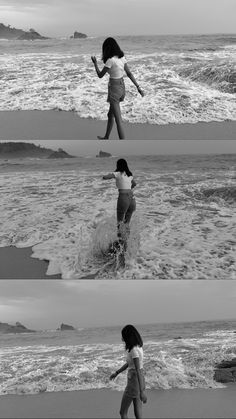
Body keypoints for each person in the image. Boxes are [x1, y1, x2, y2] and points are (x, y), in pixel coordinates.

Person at [91, 37, 144, 140]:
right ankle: (106, 137)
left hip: (114, 89)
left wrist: (95, 64)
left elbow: (100, 75)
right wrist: (138, 87)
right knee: (110, 115)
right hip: (121, 88)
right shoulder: (122, 58)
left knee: (119, 121)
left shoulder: (110, 61)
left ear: (107, 48)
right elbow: (129, 73)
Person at [110, 324, 147, 419]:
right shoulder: (138, 347)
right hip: (138, 381)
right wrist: (117, 372)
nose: (122, 339)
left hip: (133, 382)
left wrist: (143, 391)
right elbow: (129, 364)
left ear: (128, 337)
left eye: (123, 336)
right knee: (138, 414)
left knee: (123, 412)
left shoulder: (133, 350)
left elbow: (137, 370)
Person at [102, 159, 136, 241]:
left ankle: (120, 244)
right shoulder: (129, 174)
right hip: (132, 199)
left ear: (118, 166)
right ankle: (127, 242)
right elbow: (134, 184)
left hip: (123, 198)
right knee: (126, 223)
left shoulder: (117, 173)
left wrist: (105, 176)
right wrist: (128, 189)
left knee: (120, 223)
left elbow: (106, 177)